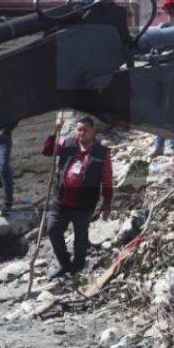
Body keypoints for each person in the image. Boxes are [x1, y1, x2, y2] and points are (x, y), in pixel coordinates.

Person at [42, 115, 113, 279]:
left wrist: (107, 204)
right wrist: (55, 130)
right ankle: (65, 264)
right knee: (52, 228)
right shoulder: (67, 143)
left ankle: (78, 267)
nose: (82, 133)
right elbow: (47, 150)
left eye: (85, 129)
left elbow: (107, 179)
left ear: (93, 131)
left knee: (81, 236)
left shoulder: (102, 152)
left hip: (85, 203)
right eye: (79, 129)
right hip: (61, 201)